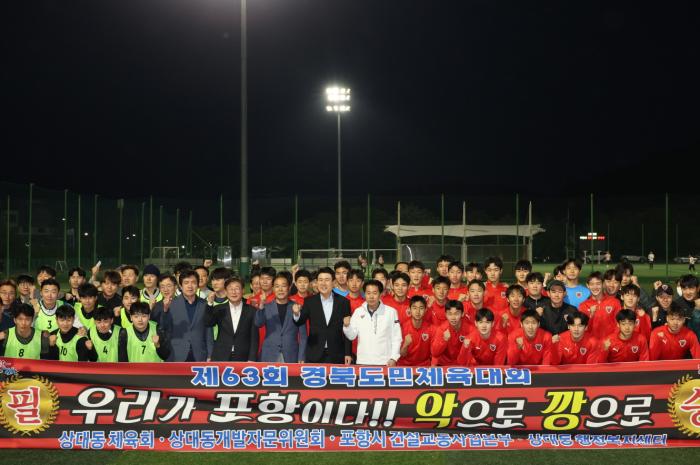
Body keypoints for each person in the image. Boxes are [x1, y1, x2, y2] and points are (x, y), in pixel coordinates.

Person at [292, 267, 352, 364]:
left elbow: (347, 329)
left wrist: (348, 353)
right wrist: (296, 314)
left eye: (327, 280)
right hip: (314, 352)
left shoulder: (343, 302)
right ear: (316, 282)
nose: (323, 283)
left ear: (333, 283)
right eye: (320, 280)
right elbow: (300, 321)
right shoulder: (309, 301)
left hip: (337, 353)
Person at [343, 279, 402, 366]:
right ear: (364, 294)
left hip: (385, 362)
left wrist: (393, 358)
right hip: (363, 361)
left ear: (380, 294)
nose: (371, 296)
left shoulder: (391, 312)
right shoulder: (358, 312)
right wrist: (347, 326)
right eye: (368, 293)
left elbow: (396, 337)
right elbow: (352, 336)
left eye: (374, 293)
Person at [162, 270, 214, 362]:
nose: (190, 286)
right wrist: (165, 310)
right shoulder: (171, 304)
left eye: (193, 282)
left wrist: (210, 354)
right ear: (180, 286)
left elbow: (208, 331)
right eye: (186, 283)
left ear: (198, 285)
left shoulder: (205, 304)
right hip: (176, 355)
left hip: (199, 355)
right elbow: (164, 328)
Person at [204, 277, 259, 362]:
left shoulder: (252, 310)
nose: (234, 292)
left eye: (237, 288)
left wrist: (252, 358)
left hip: (243, 356)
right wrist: (210, 304)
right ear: (226, 292)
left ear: (243, 291)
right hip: (221, 356)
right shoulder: (219, 309)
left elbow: (254, 337)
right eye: (230, 289)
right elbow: (208, 322)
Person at [255, 274, 307, 363]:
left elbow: (303, 336)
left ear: (289, 288)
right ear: (273, 289)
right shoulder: (266, 307)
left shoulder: (298, 307)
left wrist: (301, 356)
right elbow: (258, 323)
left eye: (283, 286)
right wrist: (261, 305)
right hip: (269, 354)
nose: (280, 289)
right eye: (277, 286)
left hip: (291, 355)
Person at [579, 272, 622, 340]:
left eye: (598, 284)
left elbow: (619, 325)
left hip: (610, 343)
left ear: (603, 284)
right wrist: (591, 315)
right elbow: (582, 329)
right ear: (587, 285)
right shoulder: (583, 305)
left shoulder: (614, 302)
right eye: (592, 284)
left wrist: (611, 340)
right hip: (591, 345)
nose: (595, 287)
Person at [431, 300, 473, 366]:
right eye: (450, 314)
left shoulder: (470, 330)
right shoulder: (442, 329)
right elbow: (434, 353)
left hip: (462, 365)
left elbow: (474, 354)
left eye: (456, 314)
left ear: (462, 314)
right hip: (444, 365)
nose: (453, 317)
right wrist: (444, 340)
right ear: (445, 314)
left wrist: (466, 347)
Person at [398, 296, 434, 366]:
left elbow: (435, 353)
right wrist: (405, 344)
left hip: (424, 366)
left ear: (425, 310)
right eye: (414, 308)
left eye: (421, 308)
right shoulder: (402, 328)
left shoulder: (431, 328)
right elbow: (402, 355)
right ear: (409, 310)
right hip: (405, 366)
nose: (418, 312)